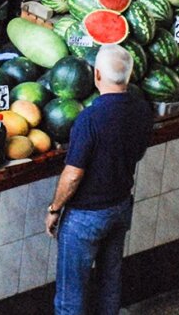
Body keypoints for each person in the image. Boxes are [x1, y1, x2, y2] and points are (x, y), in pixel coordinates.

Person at [45, 44, 153, 315]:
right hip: (120, 207)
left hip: (85, 217)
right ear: (128, 76)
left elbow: (72, 176)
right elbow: (139, 151)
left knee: (71, 294)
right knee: (109, 281)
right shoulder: (142, 109)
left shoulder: (89, 118)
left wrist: (54, 209)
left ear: (96, 75)